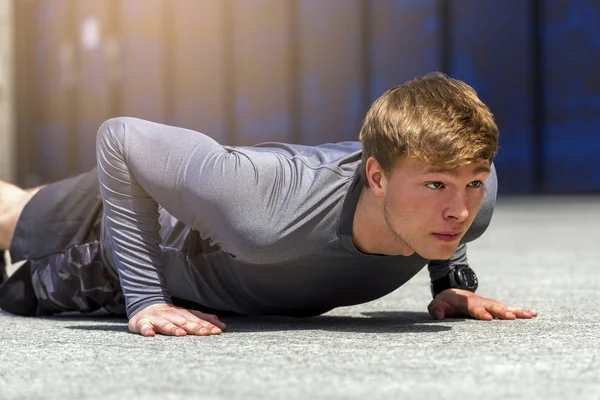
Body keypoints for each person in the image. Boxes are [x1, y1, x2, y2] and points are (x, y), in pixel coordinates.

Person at [0, 72, 537, 337]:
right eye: (438, 186)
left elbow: (454, 196)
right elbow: (120, 136)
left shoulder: (475, 198)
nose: (460, 209)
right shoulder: (260, 204)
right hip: (134, 227)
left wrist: (450, 282)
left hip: (218, 269)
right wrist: (145, 299)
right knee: (13, 219)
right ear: (377, 176)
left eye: (473, 182)